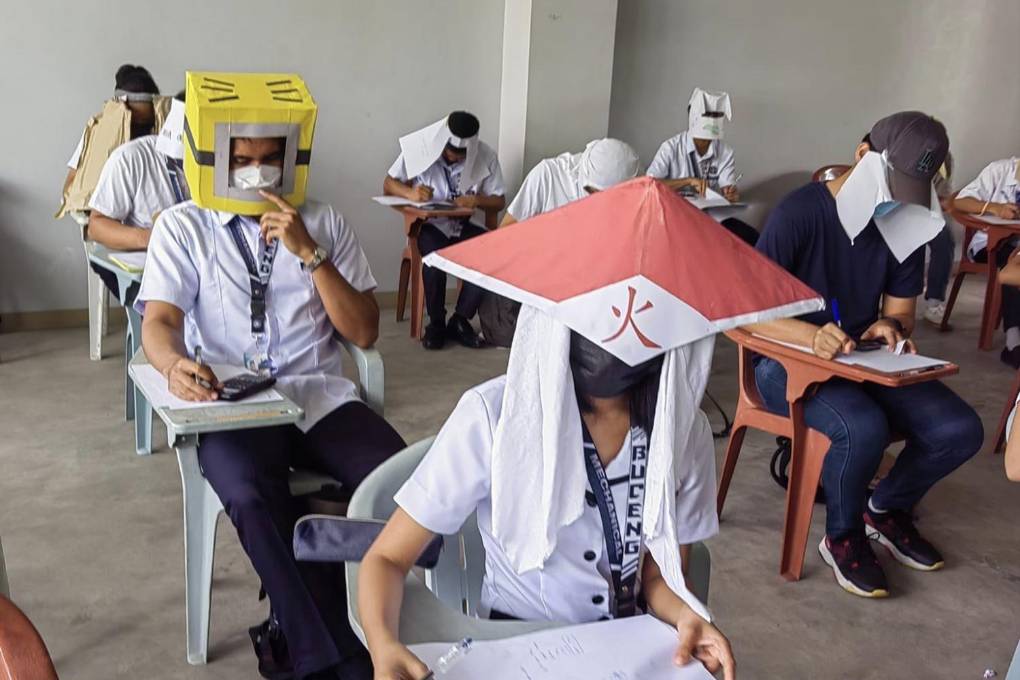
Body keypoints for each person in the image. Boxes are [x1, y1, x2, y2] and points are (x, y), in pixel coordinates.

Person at [139, 72, 405, 680]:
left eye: (269, 159)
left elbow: (364, 331)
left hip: (319, 396)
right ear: (213, 159)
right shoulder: (184, 226)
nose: (257, 173)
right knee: (248, 492)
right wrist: (174, 364)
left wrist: (310, 254)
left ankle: (354, 621)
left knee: (401, 483)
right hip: (233, 404)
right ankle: (332, 659)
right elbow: (160, 321)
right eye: (241, 160)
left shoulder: (324, 222)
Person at [746, 111, 983, 598]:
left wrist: (890, 327)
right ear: (862, 155)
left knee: (958, 429)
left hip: (860, 357)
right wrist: (809, 337)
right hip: (782, 360)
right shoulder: (800, 213)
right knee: (862, 426)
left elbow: (901, 313)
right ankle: (842, 536)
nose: (896, 199)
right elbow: (745, 315)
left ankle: (885, 509)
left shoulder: (902, 222)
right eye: (893, 183)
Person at [383, 111, 505, 350]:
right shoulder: (421, 146)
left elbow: (499, 200)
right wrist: (410, 193)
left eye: (461, 155)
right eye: (450, 152)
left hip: (465, 225)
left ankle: (460, 319)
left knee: (492, 252)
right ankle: (436, 323)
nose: (454, 157)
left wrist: (477, 200)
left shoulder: (487, 155)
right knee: (433, 259)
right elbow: (389, 183)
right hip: (431, 226)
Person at [85, 92, 189, 303]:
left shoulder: (228, 163)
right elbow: (96, 227)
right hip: (151, 261)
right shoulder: (132, 158)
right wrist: (155, 238)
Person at [645, 88, 758, 246]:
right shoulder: (671, 148)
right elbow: (649, 184)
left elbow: (728, 189)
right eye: (708, 116)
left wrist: (730, 194)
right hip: (672, 217)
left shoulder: (725, 152)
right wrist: (688, 181)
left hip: (708, 218)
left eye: (716, 116)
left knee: (753, 238)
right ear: (693, 119)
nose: (706, 141)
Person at [952, 156, 1020, 366]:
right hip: (989, 244)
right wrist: (995, 208)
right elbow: (960, 201)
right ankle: (1014, 342)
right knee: (1012, 265)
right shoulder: (1000, 170)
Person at [63, 64, 161, 195]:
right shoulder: (96, 133)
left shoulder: (163, 136)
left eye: (145, 124)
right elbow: (71, 184)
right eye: (133, 124)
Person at [501, 137, 641, 226]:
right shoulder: (548, 176)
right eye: (593, 193)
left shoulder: (636, 194)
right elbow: (505, 232)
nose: (598, 201)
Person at [921, 154, 956, 326]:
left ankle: (934, 303)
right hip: (893, 209)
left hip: (927, 212)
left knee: (944, 240)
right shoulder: (897, 150)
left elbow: (943, 197)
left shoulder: (944, 158)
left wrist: (948, 202)